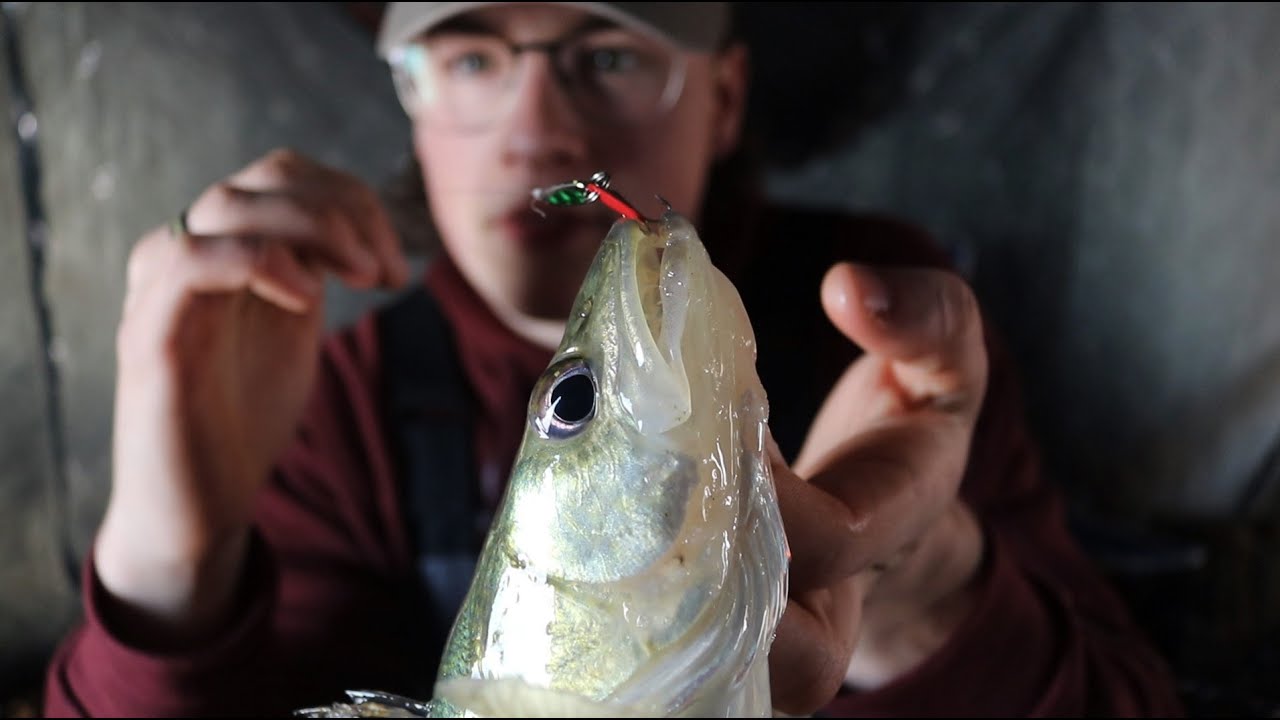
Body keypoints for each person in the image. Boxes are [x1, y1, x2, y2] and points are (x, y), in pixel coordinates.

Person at [43, 2, 1185, 717]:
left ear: (725, 96)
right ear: (407, 98)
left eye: (604, 52)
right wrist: (165, 557)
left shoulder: (874, 323)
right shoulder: (328, 401)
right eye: (471, 56)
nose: (534, 126)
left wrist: (924, 586)